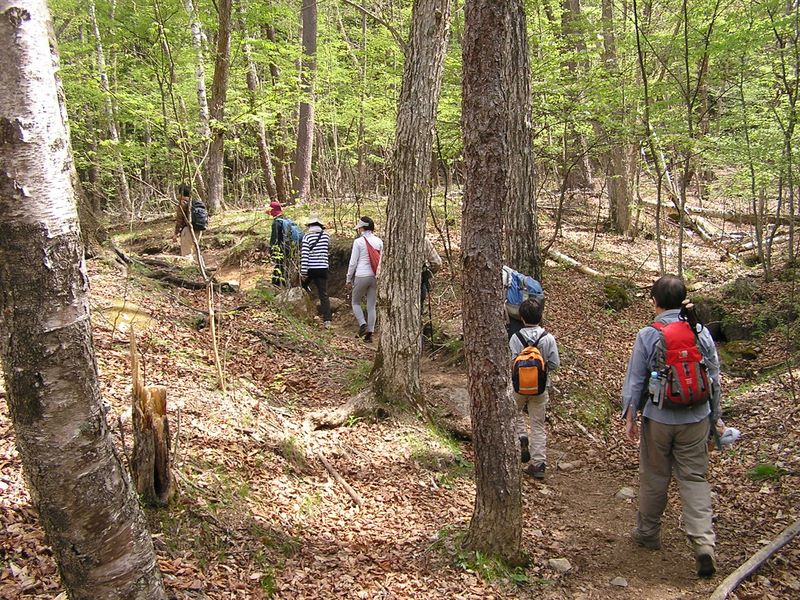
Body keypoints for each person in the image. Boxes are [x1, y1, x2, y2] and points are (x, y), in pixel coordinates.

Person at [621, 275, 721, 578]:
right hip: (696, 417)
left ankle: (648, 533)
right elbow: (714, 377)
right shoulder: (700, 332)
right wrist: (715, 416)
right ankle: (703, 543)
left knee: (654, 475)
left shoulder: (649, 334)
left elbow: (636, 378)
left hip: (660, 417)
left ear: (655, 301)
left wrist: (631, 415)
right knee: (694, 478)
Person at [509, 297, 560, 480]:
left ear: (522, 317)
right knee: (538, 425)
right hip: (540, 388)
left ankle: (521, 436)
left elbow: (512, 361)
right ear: (541, 316)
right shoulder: (548, 339)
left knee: (514, 413)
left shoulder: (516, 338)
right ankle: (538, 464)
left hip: (518, 387)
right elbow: (554, 363)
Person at [346, 216, 382, 343]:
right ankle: (369, 334)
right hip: (375, 276)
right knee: (371, 306)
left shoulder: (358, 242)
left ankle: (363, 325)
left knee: (355, 302)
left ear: (362, 227)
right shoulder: (379, 241)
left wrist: (348, 278)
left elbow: (353, 262)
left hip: (361, 275)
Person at [300, 214, 332, 329]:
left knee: (301, 288)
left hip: (310, 269)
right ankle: (328, 320)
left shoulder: (306, 237)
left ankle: (304, 311)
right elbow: (328, 248)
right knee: (323, 294)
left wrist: (303, 273)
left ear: (309, 225)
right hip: (323, 268)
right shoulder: (326, 236)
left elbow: (305, 256)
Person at [269, 201, 291, 286]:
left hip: (281, 249)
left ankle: (276, 286)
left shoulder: (276, 222)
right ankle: (284, 286)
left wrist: (272, 250)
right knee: (284, 268)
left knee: (279, 267)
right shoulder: (286, 220)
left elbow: (274, 238)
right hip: (290, 247)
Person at [173, 183, 198, 258]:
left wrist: (176, 234)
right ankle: (199, 268)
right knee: (195, 253)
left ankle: (188, 269)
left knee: (186, 254)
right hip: (198, 229)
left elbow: (179, 220)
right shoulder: (194, 201)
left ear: (181, 193)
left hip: (188, 230)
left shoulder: (183, 203)